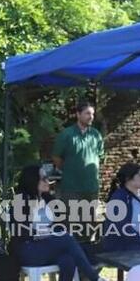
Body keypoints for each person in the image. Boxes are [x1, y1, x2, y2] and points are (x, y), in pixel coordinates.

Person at [11, 165, 117, 281]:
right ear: (33, 181)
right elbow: (19, 231)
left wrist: (53, 231)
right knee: (66, 240)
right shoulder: (21, 200)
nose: (48, 181)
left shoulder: (48, 199)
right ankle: (95, 280)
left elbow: (61, 223)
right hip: (27, 250)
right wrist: (43, 233)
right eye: (43, 178)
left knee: (68, 259)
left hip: (47, 247)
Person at [51, 100, 103, 239]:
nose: (91, 116)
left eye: (92, 114)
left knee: (89, 223)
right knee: (71, 223)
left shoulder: (96, 135)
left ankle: (89, 252)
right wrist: (70, 169)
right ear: (78, 114)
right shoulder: (67, 135)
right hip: (72, 187)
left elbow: (100, 156)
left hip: (91, 187)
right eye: (87, 113)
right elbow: (56, 157)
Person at [101, 163, 140, 252]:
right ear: (127, 178)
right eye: (139, 175)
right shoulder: (119, 198)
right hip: (125, 247)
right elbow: (121, 227)